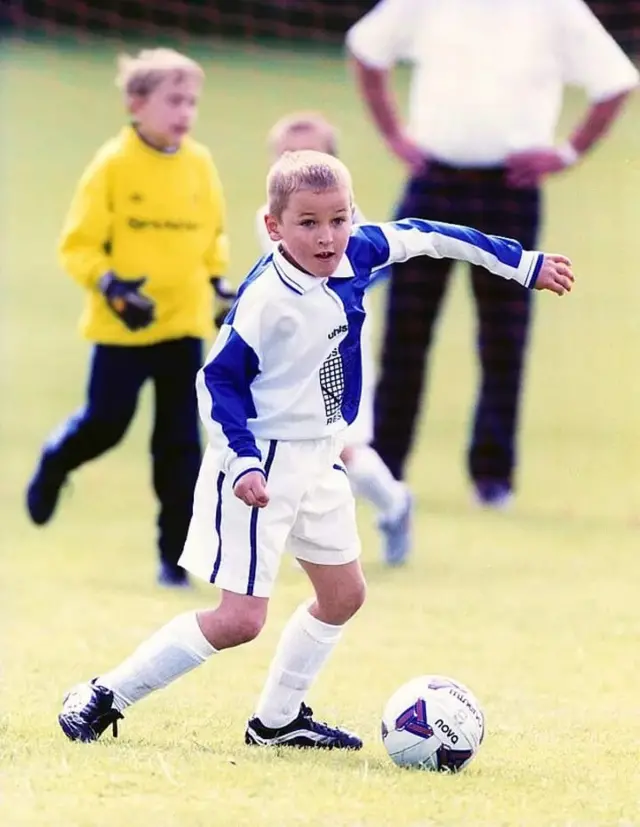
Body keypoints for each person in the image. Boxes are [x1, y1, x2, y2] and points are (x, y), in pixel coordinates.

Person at [57, 150, 574, 747]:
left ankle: (275, 722)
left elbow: (432, 236)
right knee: (239, 620)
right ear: (274, 226)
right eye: (308, 223)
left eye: (339, 218)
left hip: (319, 456)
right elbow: (218, 382)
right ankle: (102, 695)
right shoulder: (265, 300)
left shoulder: (359, 251)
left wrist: (522, 263)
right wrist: (245, 461)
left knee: (343, 594)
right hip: (261, 462)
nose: (328, 237)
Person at [347, 0, 638, 507]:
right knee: (405, 330)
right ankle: (386, 471)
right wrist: (394, 132)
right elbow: (366, 50)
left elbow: (616, 80)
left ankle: (493, 476)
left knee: (503, 336)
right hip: (434, 183)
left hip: (509, 187)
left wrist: (567, 151)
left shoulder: (555, 9)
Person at [25, 49, 235, 587]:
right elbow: (77, 246)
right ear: (136, 104)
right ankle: (57, 460)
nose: (185, 112)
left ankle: (175, 558)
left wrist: (217, 285)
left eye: (191, 101)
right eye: (173, 100)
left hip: (184, 325)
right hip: (124, 328)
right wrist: (111, 286)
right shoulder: (113, 166)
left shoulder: (200, 164)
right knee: (106, 425)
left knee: (179, 444)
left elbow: (213, 235)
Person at [257, 112, 413, 566]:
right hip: (288, 354)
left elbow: (377, 265)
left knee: (340, 446)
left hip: (338, 348)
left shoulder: (349, 218)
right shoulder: (270, 218)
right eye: (287, 155)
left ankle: (395, 505)